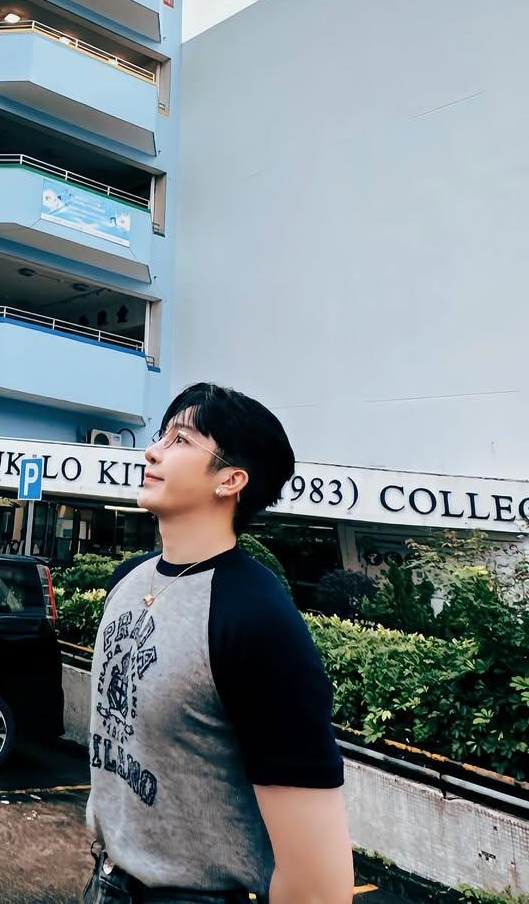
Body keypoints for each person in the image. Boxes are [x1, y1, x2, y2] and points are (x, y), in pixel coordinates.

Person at [84, 382, 354, 904]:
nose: (152, 451)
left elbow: (318, 884)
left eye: (181, 440)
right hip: (107, 881)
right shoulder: (127, 582)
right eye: (161, 435)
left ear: (230, 480)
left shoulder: (255, 617)